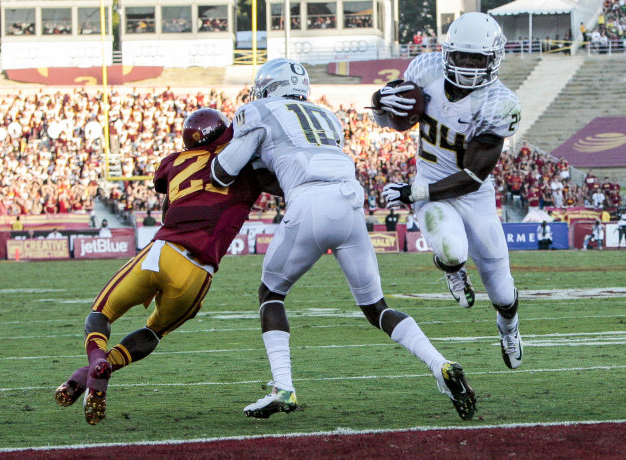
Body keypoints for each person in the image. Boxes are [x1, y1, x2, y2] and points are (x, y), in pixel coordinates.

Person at [211, 58, 476, 422]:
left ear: (269, 87)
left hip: (309, 203)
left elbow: (222, 172)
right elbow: (288, 167)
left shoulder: (256, 110)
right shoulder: (326, 117)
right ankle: (441, 365)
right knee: (377, 307)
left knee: (270, 294)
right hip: (350, 202)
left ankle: (283, 386)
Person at [54, 108, 279, 425]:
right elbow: (284, 182)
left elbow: (165, 208)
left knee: (100, 314)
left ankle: (93, 363)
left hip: (162, 250)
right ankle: (99, 369)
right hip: (198, 271)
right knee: (153, 331)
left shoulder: (174, 162)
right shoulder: (244, 167)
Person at [373, 12, 523, 370]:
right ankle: (453, 270)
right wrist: (381, 105)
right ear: (447, 53)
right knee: (452, 251)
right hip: (430, 181)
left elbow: (471, 176)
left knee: (502, 291)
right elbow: (393, 117)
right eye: (462, 56)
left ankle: (510, 329)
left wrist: (415, 192)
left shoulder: (499, 103)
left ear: (493, 59)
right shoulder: (425, 70)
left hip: (473, 195)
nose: (469, 65)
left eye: (478, 58)